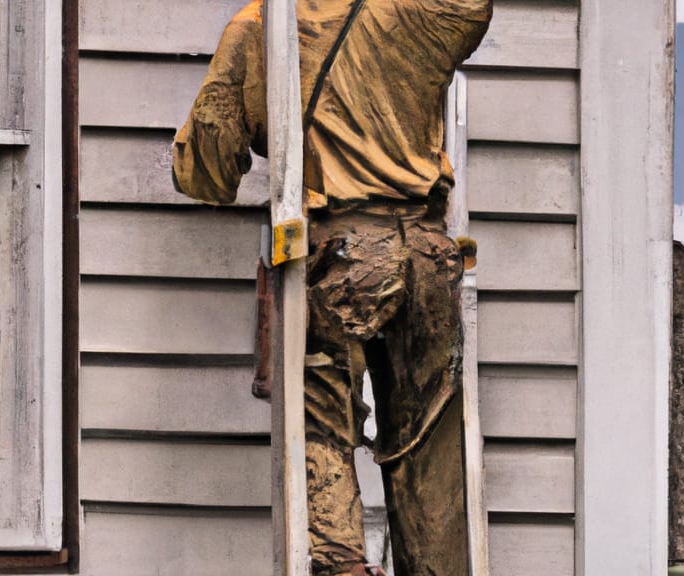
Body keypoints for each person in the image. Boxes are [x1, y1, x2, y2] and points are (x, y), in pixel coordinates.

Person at [173, 0, 491, 573]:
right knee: (430, 457)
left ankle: (343, 568)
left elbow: (207, 172)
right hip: (428, 258)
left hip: (340, 257)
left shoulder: (261, 24)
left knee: (321, 426)